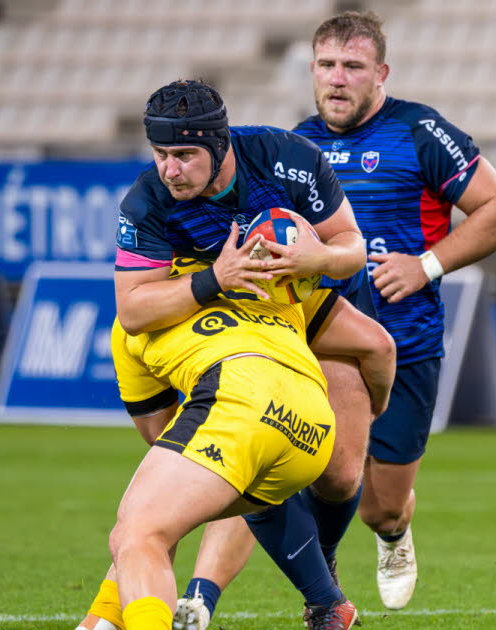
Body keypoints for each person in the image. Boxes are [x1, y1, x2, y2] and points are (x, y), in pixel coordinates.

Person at [82, 79, 372, 629]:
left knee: (141, 530)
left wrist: (318, 257)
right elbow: (135, 308)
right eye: (161, 155)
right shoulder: (149, 201)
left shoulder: (288, 160)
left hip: (301, 303)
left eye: (185, 155)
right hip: (281, 395)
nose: (171, 170)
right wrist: (218, 278)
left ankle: (346, 555)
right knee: (176, 507)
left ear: (221, 146)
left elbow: (353, 248)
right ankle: (327, 598)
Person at [292, 10, 496, 609]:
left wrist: (425, 265)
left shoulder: (420, 132)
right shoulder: (297, 145)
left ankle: (393, 533)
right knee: (322, 473)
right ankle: (322, 584)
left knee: (380, 503)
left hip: (406, 342)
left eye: (352, 66)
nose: (337, 79)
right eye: (326, 65)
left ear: (381, 73)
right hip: (324, 341)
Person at [85, 256, 394, 630]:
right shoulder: (275, 287)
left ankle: (323, 598)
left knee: (142, 527)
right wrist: (377, 406)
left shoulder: (131, 324)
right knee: (152, 520)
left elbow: (159, 435)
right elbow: (380, 344)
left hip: (241, 399)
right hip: (311, 432)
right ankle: (328, 601)